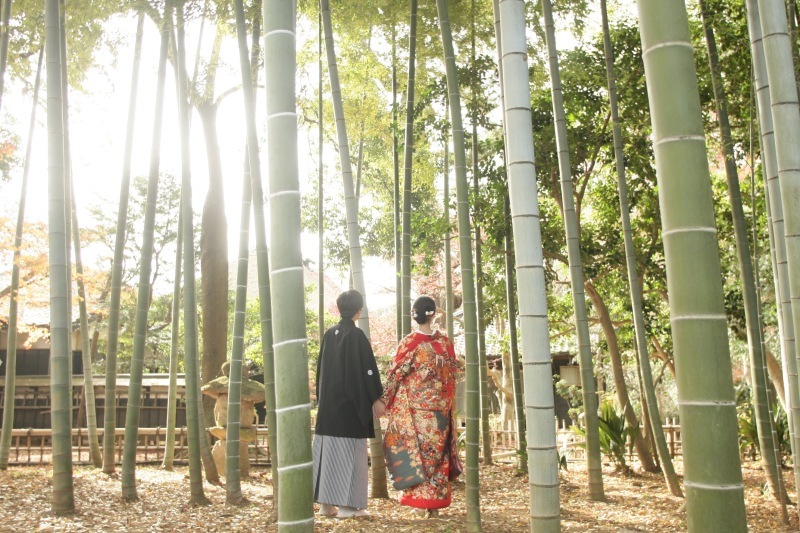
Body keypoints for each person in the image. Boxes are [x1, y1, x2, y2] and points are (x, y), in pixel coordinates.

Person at [375, 295, 462, 517]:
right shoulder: (445, 343)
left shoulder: (409, 343)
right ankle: (434, 506)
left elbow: (395, 375)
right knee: (438, 456)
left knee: (419, 456)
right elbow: (454, 372)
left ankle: (422, 502)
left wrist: (386, 399)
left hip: (416, 410)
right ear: (433, 314)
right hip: (441, 410)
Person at [312, 289, 385, 518]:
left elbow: (319, 371)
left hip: (327, 408)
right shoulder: (356, 336)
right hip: (349, 408)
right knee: (349, 456)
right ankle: (347, 507)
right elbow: (368, 371)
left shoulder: (329, 333)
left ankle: (326, 504)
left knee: (328, 454)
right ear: (358, 311)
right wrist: (376, 397)